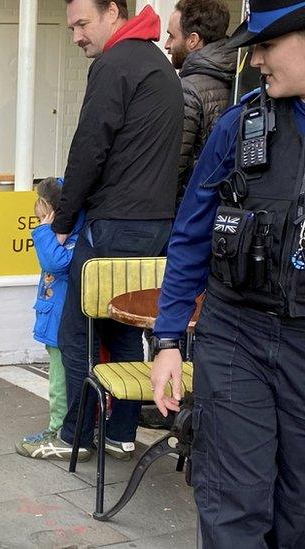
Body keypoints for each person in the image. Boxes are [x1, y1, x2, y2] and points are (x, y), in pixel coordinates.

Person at [151, 1, 305, 544]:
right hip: (236, 333)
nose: (255, 60)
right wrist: (168, 339)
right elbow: (191, 234)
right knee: (232, 509)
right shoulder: (241, 128)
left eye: (267, 45)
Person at [20, 0, 182, 463]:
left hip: (112, 225)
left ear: (113, 11)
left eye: (82, 24)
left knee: (79, 335)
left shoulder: (115, 63)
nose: (76, 37)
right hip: (155, 227)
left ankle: (75, 435)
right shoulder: (158, 63)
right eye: (72, 27)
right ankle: (120, 432)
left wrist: (65, 225)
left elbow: (88, 149)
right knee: (127, 330)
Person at [15, 178, 84, 457]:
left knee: (59, 382)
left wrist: (44, 231)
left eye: (42, 212)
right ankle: (64, 425)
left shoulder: (68, 238)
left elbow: (55, 263)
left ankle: (59, 428)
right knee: (61, 378)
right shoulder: (66, 236)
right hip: (55, 320)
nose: (39, 218)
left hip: (61, 324)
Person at [164, 0, 236, 202]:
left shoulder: (188, 88)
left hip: (193, 205)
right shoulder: (237, 72)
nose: (167, 44)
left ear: (193, 40)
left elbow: (174, 167)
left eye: (171, 35)